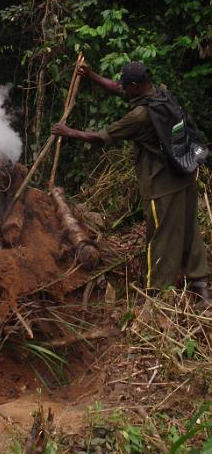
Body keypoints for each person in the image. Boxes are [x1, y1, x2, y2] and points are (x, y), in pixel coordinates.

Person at [53, 60, 209, 299]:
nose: (123, 88)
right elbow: (118, 88)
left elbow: (101, 137)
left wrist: (68, 132)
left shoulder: (140, 117)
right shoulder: (160, 94)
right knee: (189, 229)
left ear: (135, 86)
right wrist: (92, 75)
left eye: (126, 86)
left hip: (162, 185)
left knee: (161, 237)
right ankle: (200, 286)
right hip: (185, 174)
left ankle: (157, 292)